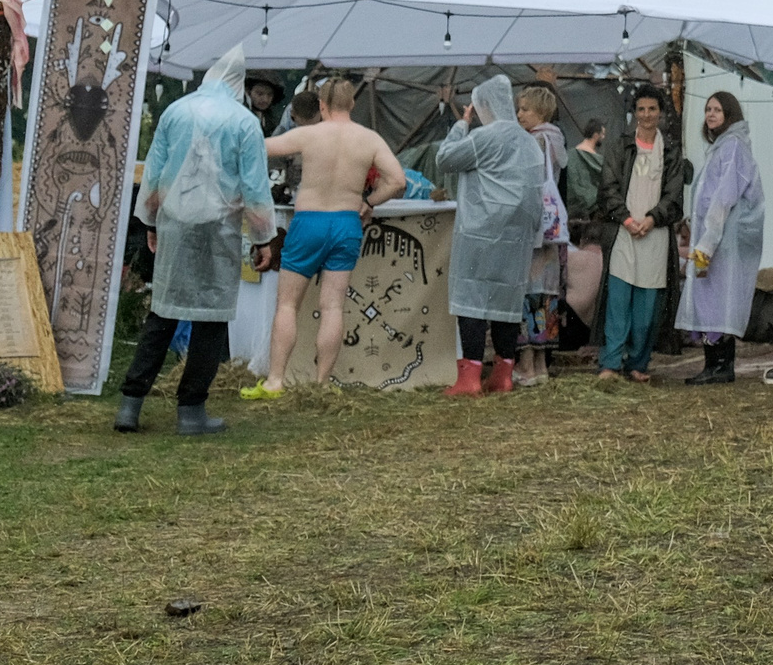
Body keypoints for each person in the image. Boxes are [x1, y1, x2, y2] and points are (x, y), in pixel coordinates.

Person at [117, 43, 276, 436]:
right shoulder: (244, 122)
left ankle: (129, 406)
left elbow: (153, 172)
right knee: (211, 318)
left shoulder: (176, 110)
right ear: (238, 85)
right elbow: (256, 186)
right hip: (219, 228)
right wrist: (263, 238)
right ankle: (191, 410)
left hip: (175, 222)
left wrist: (150, 223)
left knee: (163, 312)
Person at [242, 78, 406, 398]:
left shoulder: (309, 134)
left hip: (309, 221)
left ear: (321, 105)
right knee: (332, 306)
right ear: (353, 104)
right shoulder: (369, 139)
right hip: (347, 222)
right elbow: (397, 181)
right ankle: (323, 384)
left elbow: (259, 148)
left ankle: (275, 381)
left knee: (288, 305)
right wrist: (369, 202)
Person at [433, 74, 544, 395]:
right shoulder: (528, 142)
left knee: (472, 303)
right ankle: (504, 376)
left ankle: (469, 379)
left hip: (480, 234)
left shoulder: (485, 137)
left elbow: (445, 160)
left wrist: (460, 125)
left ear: (483, 106)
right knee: (506, 305)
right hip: (517, 238)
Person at [599, 83, 689, 382]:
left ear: (661, 113)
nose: (647, 115)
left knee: (647, 309)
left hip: (655, 235)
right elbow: (608, 188)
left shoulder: (672, 151)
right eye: (641, 109)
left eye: (652, 109)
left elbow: (674, 195)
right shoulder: (620, 145)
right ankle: (610, 364)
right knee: (618, 303)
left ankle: (638, 363)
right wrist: (626, 220)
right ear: (634, 112)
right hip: (624, 234)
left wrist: (651, 219)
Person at [677, 90, 765, 386]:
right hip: (711, 237)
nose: (710, 114)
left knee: (718, 298)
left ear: (730, 113)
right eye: (707, 109)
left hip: (721, 240)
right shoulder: (720, 147)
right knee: (708, 296)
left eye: (717, 109)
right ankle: (713, 365)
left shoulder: (733, 147)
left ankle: (722, 366)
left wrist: (707, 240)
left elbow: (724, 196)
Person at [513, 82, 574, 384]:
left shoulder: (533, 141)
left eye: (524, 109)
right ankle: (541, 365)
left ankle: (526, 364)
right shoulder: (557, 139)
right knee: (546, 297)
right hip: (554, 234)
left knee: (527, 293)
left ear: (539, 111)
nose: (519, 114)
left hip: (534, 232)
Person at [558, 117, 615, 349]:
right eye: (603, 133)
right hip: (592, 328)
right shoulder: (611, 259)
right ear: (597, 134)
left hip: (570, 323)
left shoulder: (570, 256)